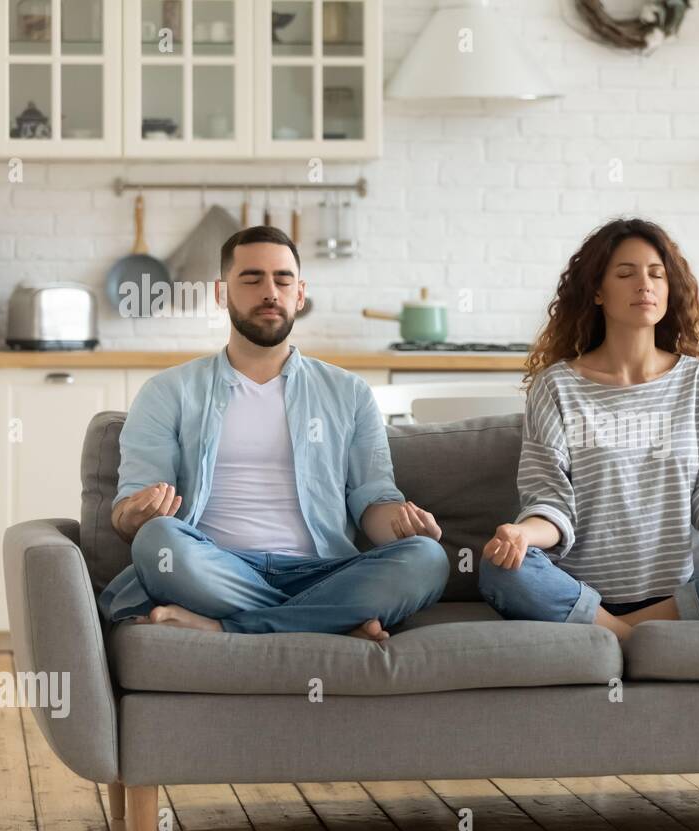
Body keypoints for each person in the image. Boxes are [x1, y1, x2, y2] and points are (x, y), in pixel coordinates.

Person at [478, 218, 699, 641]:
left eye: (656, 274)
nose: (644, 284)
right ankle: (637, 636)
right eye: (626, 274)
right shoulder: (557, 386)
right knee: (501, 571)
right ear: (598, 292)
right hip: (576, 590)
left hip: (671, 596)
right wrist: (520, 534)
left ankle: (617, 634)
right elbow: (551, 504)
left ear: (668, 290)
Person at [96, 225, 449, 640]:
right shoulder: (167, 392)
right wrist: (134, 516)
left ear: (299, 293)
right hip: (215, 568)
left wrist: (403, 526)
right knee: (157, 542)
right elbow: (128, 514)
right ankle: (327, 624)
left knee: (428, 558)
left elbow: (373, 500)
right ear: (221, 293)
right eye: (251, 278)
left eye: (282, 279)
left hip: (322, 571)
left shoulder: (349, 393)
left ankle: (223, 627)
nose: (269, 292)